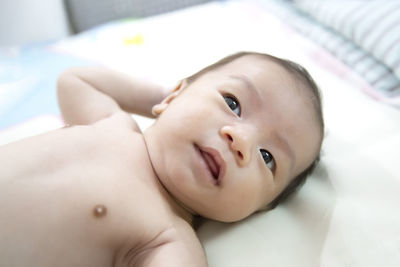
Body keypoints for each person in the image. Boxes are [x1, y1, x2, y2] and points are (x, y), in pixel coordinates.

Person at [0, 51, 324, 266]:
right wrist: (170, 101)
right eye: (233, 103)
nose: (241, 140)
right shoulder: (114, 124)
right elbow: (75, 81)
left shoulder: (167, 238)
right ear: (174, 95)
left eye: (267, 158)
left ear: (259, 208)